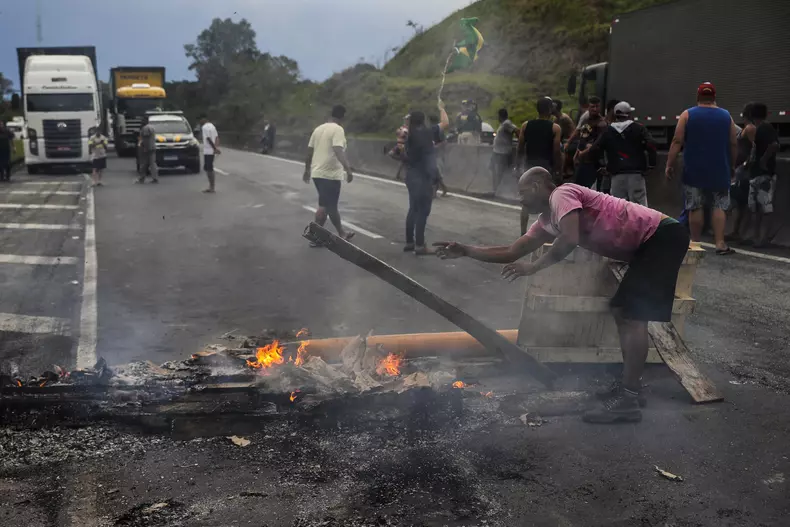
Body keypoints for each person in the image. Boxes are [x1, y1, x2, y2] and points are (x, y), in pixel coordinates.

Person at [434, 168, 689, 424]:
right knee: (624, 312)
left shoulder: (562, 194)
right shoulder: (546, 220)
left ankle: (628, 399)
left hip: (662, 236)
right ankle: (630, 388)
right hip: (652, 243)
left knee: (631, 316)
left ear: (537, 186)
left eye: (522, 193)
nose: (520, 199)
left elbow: (569, 238)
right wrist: (466, 250)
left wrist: (534, 267)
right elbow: (512, 251)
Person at [666, 82, 737, 255]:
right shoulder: (726, 116)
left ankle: (695, 242)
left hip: (694, 170)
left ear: (698, 96)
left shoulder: (687, 115)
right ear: (714, 97)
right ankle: (720, 244)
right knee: (719, 205)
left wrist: (669, 163)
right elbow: (733, 143)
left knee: (695, 206)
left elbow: (677, 140)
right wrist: (732, 165)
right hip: (720, 170)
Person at [584, 101, 657, 206]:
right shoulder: (639, 128)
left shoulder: (608, 131)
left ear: (615, 115)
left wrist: (599, 166)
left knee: (619, 209)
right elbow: (651, 144)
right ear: (630, 114)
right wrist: (651, 164)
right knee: (639, 209)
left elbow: (594, 150)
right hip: (636, 175)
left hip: (616, 176)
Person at [303, 105, 355, 245]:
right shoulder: (338, 129)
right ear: (343, 117)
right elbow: (338, 150)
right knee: (327, 206)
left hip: (317, 172)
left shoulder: (318, 129)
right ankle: (315, 236)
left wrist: (307, 170)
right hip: (329, 174)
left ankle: (341, 233)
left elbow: (309, 151)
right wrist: (348, 169)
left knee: (327, 205)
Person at [392, 110, 439, 255]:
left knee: (413, 208)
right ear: (423, 120)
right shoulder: (425, 134)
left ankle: (409, 242)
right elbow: (429, 159)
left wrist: (406, 160)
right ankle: (420, 245)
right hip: (423, 176)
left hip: (410, 175)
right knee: (423, 211)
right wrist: (435, 176)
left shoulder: (407, 134)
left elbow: (393, 153)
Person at [516, 97, 562, 234]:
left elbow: (520, 148)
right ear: (550, 110)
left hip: (529, 168)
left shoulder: (526, 125)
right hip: (545, 169)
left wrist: (518, 166)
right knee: (549, 201)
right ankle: (547, 232)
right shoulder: (555, 128)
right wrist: (558, 170)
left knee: (526, 202)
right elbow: (556, 151)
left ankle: (523, 233)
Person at [743, 102, 779, 247]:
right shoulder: (759, 128)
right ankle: (755, 236)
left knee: (765, 207)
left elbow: (775, 145)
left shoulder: (765, 127)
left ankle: (764, 238)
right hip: (756, 174)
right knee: (754, 207)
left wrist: (764, 160)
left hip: (764, 175)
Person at [728, 103, 754, 242]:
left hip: (742, 171)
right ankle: (736, 231)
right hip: (739, 169)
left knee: (737, 202)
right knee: (738, 202)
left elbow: (755, 147)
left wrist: (746, 163)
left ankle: (738, 232)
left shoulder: (750, 129)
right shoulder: (745, 129)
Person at [569, 96, 606, 189]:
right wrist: (577, 154)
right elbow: (583, 138)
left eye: (597, 106)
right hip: (583, 160)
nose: (595, 109)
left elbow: (598, 143)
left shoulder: (602, 123)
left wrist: (583, 152)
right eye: (592, 106)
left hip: (594, 161)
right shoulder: (586, 120)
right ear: (588, 107)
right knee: (578, 187)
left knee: (590, 189)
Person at [490, 108, 519, 187]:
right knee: (494, 169)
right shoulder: (503, 124)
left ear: (500, 116)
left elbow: (517, 130)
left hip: (503, 152)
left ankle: (500, 187)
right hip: (497, 151)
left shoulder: (507, 123)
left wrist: (521, 140)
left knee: (500, 171)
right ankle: (497, 187)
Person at [430, 104, 450, 197]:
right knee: (436, 173)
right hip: (431, 155)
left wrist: (442, 109)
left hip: (437, 155)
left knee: (436, 172)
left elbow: (445, 122)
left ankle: (435, 191)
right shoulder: (427, 129)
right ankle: (443, 189)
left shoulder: (435, 128)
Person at [200, 115, 220, 193]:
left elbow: (208, 138)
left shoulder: (204, 127)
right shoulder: (212, 126)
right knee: (208, 167)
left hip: (208, 150)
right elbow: (217, 137)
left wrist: (215, 148)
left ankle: (212, 187)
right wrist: (216, 147)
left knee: (209, 168)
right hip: (211, 150)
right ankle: (211, 186)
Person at [137, 116, 159, 184]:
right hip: (152, 148)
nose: (141, 122)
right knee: (153, 164)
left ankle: (141, 179)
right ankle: (155, 178)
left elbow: (145, 140)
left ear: (145, 121)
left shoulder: (145, 128)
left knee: (143, 164)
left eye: (142, 120)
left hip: (147, 148)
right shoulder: (152, 127)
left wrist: (145, 148)